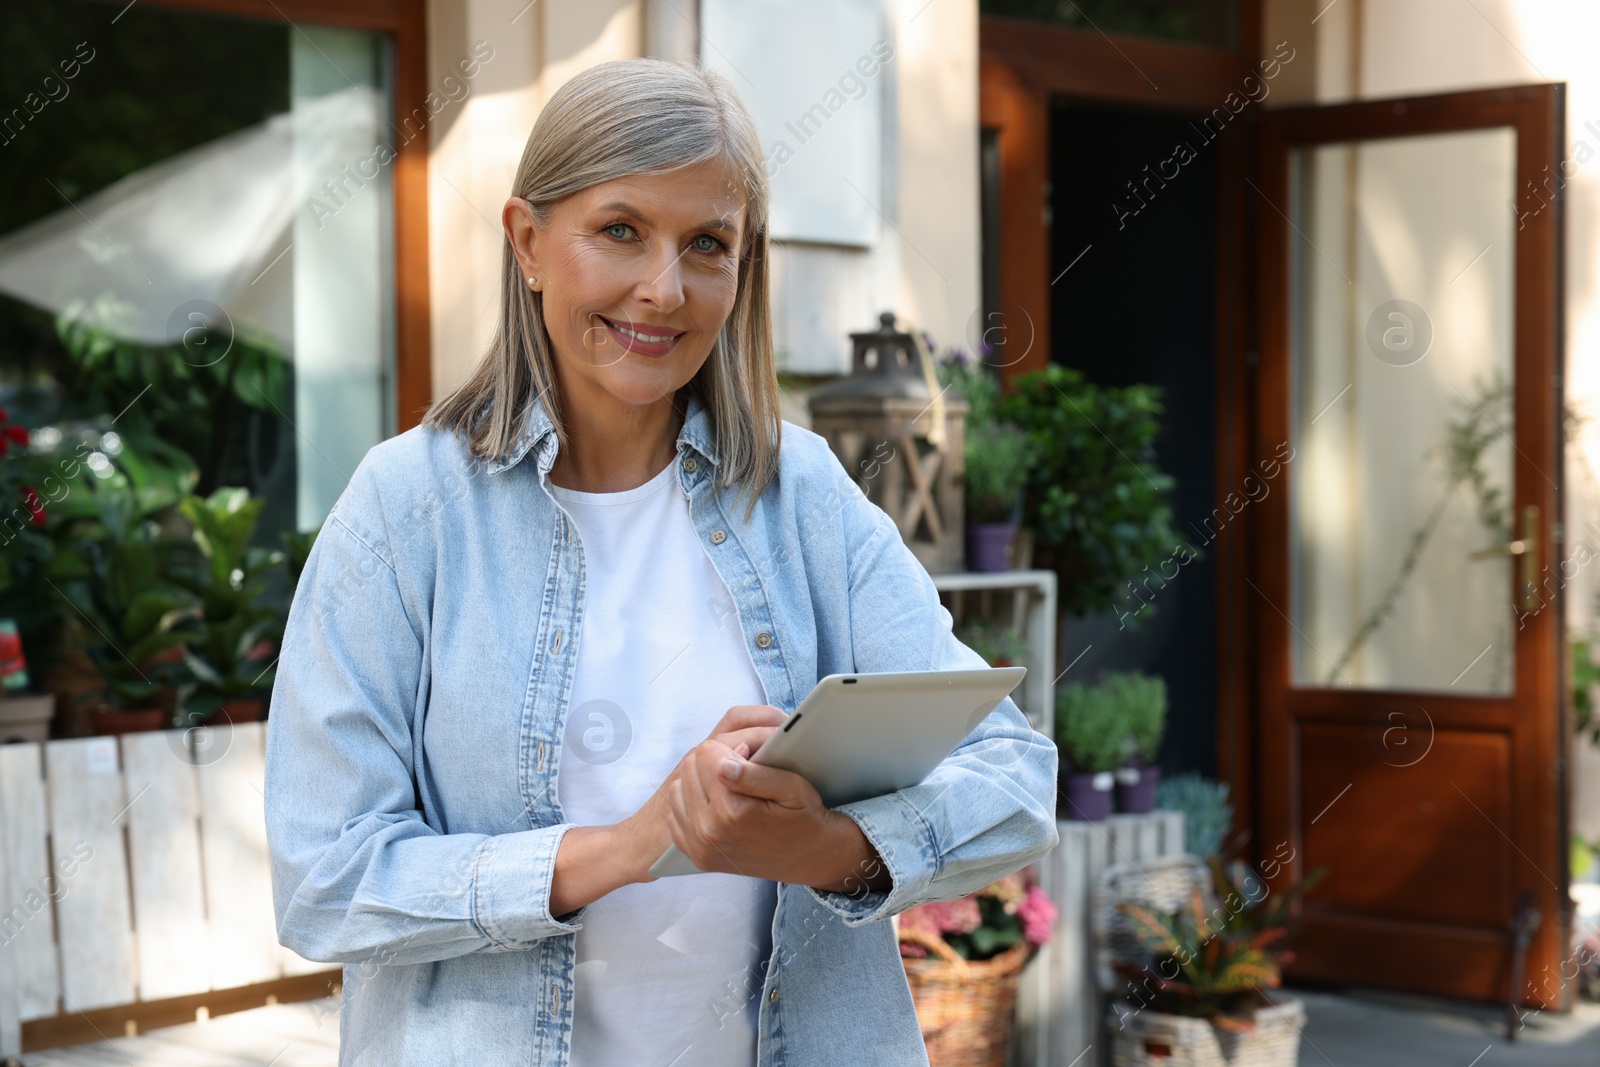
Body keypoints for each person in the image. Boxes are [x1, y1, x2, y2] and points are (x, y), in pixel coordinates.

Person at [263, 57, 1058, 1067]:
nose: (663, 288)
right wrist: (636, 841)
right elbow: (325, 880)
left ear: (742, 266)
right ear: (528, 240)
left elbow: (1015, 775)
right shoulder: (406, 508)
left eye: (707, 244)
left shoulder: (798, 493)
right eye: (621, 229)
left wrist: (826, 849)